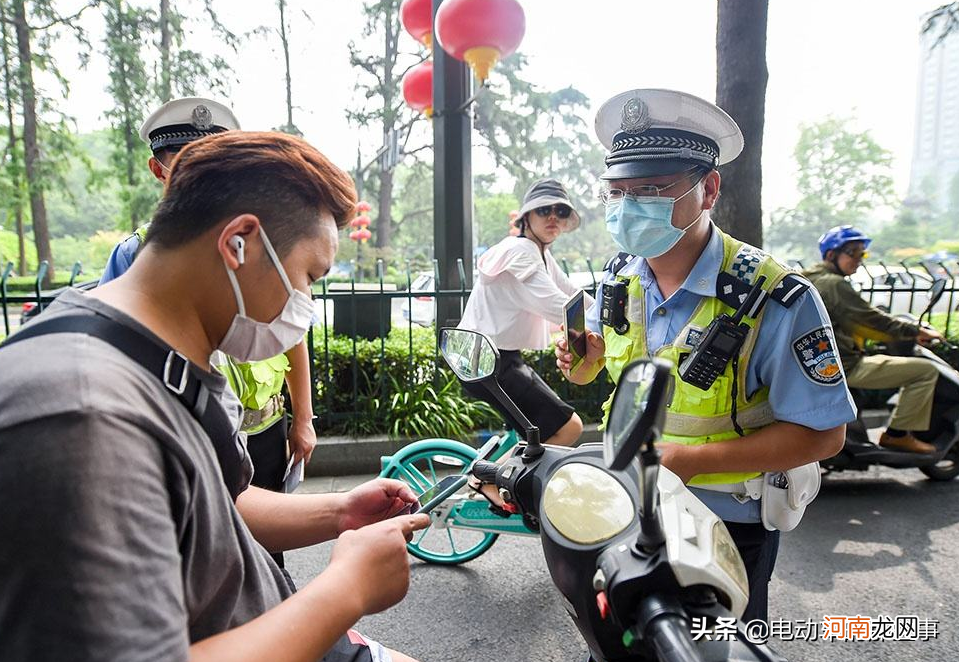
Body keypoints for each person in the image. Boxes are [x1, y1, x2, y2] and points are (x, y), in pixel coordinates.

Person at [0, 131, 429, 662]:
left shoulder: (158, 353)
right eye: (307, 276)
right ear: (239, 243)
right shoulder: (84, 417)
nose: (306, 303)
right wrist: (346, 590)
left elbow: (215, 507)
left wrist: (339, 511)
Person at [554, 89, 855, 624]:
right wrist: (585, 362)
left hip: (725, 526)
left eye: (650, 188)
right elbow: (604, 371)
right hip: (625, 505)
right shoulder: (618, 276)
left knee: (714, 646)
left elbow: (824, 434)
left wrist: (690, 462)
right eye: (617, 191)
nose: (628, 206)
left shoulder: (776, 298)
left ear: (708, 188)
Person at [100, 98, 318, 563]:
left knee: (263, 552)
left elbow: (292, 332)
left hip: (258, 424)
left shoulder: (261, 246)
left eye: (215, 163)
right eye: (184, 163)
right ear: (159, 170)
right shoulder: (133, 255)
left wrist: (302, 418)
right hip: (188, 429)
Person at [458, 178, 591, 447]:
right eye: (544, 210)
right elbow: (557, 305)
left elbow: (570, 292)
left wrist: (606, 312)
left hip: (495, 358)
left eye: (561, 211)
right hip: (487, 362)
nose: (553, 217)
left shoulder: (538, 251)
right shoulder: (521, 251)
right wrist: (606, 324)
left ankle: (501, 480)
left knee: (538, 438)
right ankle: (489, 482)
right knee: (568, 429)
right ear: (526, 217)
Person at [803, 225, 943, 454]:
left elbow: (857, 323)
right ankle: (897, 435)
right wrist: (916, 332)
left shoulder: (812, 277)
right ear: (831, 255)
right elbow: (871, 321)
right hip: (843, 366)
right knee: (925, 371)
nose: (859, 259)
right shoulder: (835, 284)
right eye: (853, 253)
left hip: (818, 364)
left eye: (862, 254)